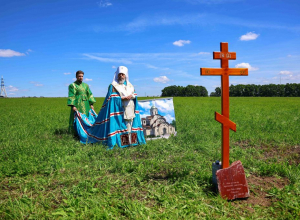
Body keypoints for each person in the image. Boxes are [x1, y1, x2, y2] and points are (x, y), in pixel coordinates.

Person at [73, 66, 146, 149]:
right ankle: (122, 142)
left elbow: (135, 95)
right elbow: (110, 98)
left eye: (123, 74)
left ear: (126, 75)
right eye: (120, 74)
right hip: (118, 110)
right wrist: (122, 98)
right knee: (121, 125)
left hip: (129, 108)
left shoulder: (130, 86)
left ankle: (131, 142)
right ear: (117, 75)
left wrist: (131, 96)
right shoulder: (113, 86)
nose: (121, 76)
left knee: (130, 124)